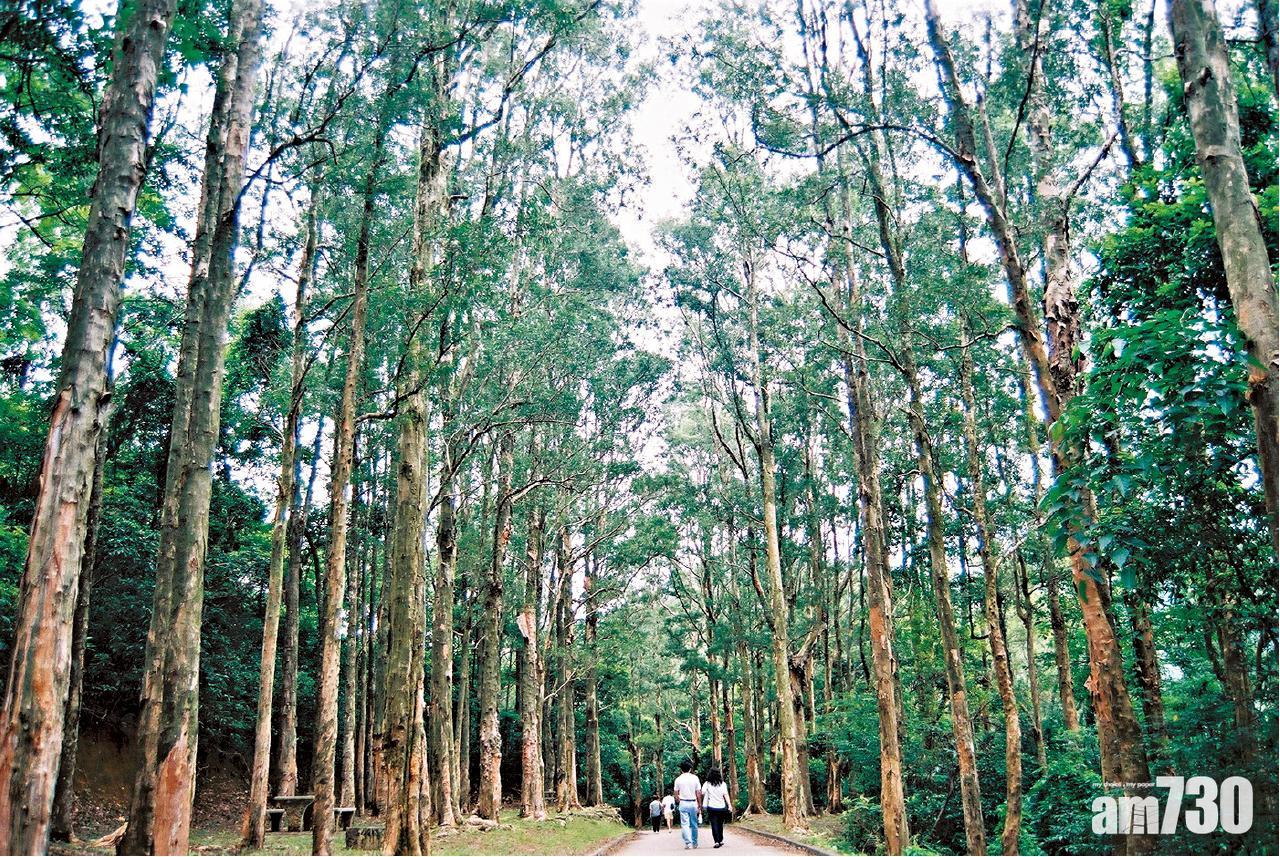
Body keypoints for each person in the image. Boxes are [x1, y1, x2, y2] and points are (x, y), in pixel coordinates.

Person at [701, 768, 734, 848]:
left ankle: (716, 841)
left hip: (711, 807)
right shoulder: (723, 784)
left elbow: (702, 792)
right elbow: (726, 795)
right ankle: (720, 840)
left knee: (714, 824)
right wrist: (729, 805)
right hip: (721, 807)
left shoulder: (707, 783)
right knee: (720, 824)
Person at [673, 760, 702, 849]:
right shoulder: (695, 778)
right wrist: (699, 804)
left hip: (683, 802)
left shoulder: (678, 779)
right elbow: (698, 792)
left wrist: (679, 800)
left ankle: (688, 843)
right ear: (690, 769)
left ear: (681, 769)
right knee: (694, 823)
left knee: (685, 824)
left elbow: (675, 793)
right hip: (693, 802)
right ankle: (695, 843)